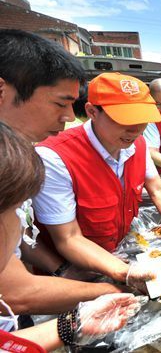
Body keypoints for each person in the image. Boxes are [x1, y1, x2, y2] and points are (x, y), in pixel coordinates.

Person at [0, 29, 125, 327]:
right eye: (60, 103)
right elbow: (13, 291)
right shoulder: (37, 156)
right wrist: (114, 288)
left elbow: (18, 237)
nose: (70, 115)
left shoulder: (22, 149)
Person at [33, 72, 161, 289]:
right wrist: (125, 272)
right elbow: (68, 238)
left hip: (117, 255)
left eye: (142, 120)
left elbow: (157, 189)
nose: (135, 130)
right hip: (73, 275)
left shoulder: (138, 145)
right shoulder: (55, 158)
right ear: (92, 112)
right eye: (124, 120)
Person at [0, 122, 142, 352]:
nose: (22, 229)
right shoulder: (56, 154)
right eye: (17, 211)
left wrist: (73, 323)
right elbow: (21, 292)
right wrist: (120, 289)